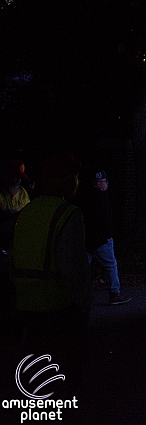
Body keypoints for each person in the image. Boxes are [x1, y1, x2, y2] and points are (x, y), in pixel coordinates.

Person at [11, 153, 92, 381]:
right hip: (58, 306)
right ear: (67, 180)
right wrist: (84, 301)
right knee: (61, 371)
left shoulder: (28, 211)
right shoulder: (68, 214)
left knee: (33, 368)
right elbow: (74, 267)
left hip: (25, 303)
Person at [73, 169, 132, 305]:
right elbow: (105, 220)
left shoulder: (84, 198)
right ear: (98, 183)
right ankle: (115, 293)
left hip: (88, 239)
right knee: (111, 265)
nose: (106, 184)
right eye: (104, 181)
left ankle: (77, 295)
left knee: (82, 268)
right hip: (101, 240)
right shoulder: (101, 198)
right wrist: (107, 235)